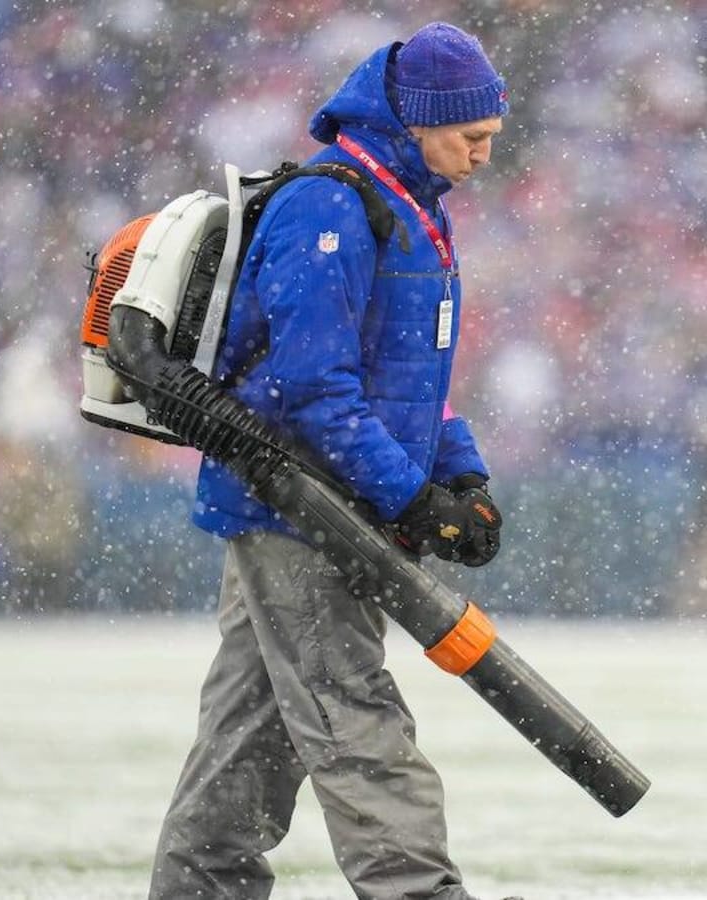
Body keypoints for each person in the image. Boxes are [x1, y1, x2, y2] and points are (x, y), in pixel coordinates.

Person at [150, 23, 513, 900]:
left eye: (492, 141)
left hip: (321, 504)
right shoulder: (334, 205)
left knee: (249, 737)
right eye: (471, 138)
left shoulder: (414, 205)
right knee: (358, 724)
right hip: (298, 510)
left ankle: (198, 890)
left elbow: (414, 380)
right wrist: (413, 497)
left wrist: (458, 473)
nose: (481, 157)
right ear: (420, 120)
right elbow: (315, 392)